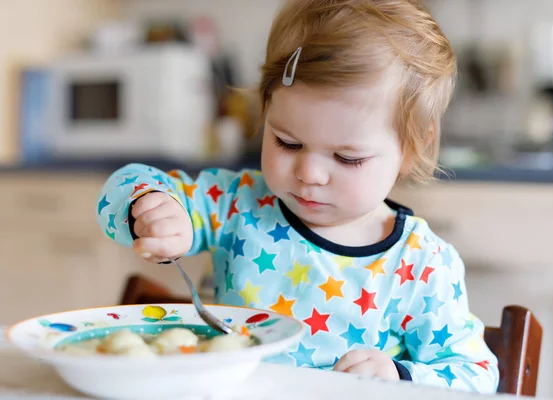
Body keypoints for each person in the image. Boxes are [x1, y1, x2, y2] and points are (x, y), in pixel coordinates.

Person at [96, 0, 499, 393]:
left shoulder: (422, 264)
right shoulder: (235, 204)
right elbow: (128, 182)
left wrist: (399, 376)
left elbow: (475, 376)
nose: (309, 173)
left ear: (410, 150)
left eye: (347, 157)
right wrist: (149, 207)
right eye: (287, 142)